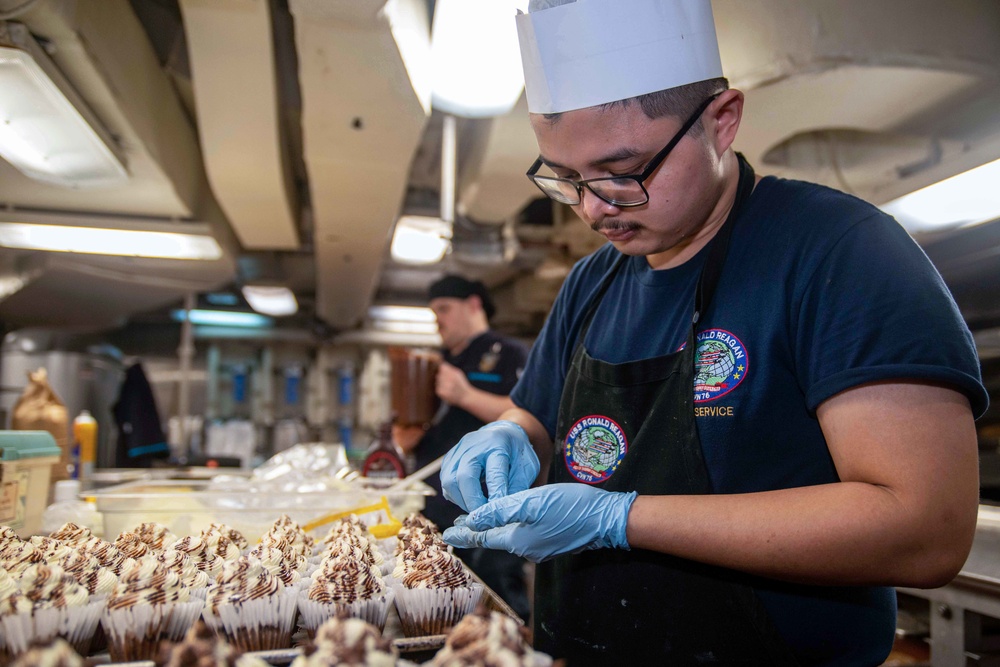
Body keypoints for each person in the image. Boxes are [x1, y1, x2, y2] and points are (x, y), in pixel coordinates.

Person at [439, 1, 989, 665]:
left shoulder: (838, 254)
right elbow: (536, 415)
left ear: (721, 122)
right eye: (567, 177)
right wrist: (510, 438)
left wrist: (621, 517)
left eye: (624, 171)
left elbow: (924, 530)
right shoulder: (592, 282)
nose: (592, 207)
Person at [396, 274, 531, 621]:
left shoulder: (508, 354)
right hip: (433, 504)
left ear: (474, 305)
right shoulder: (432, 363)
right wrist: (405, 439)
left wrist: (465, 395)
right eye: (433, 311)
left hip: (489, 505)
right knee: (432, 602)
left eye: (444, 308)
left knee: (496, 601)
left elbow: (530, 419)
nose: (437, 318)